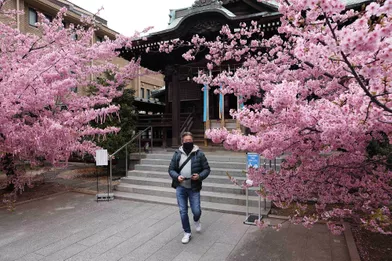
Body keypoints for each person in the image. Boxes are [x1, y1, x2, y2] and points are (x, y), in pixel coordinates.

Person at [168, 132, 210, 244]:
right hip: (181, 187)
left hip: (194, 187)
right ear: (182, 141)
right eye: (185, 140)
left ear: (193, 141)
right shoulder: (177, 154)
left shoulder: (199, 154)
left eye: (189, 140)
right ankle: (187, 232)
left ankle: (196, 220)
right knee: (183, 211)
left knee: (196, 210)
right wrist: (177, 177)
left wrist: (199, 176)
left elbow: (206, 169)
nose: (187, 142)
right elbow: (171, 169)